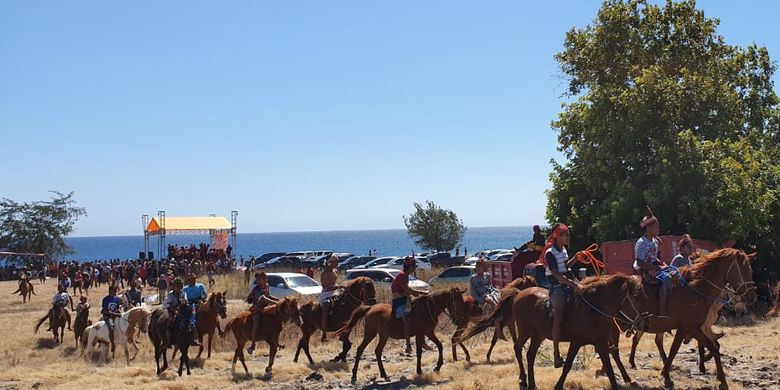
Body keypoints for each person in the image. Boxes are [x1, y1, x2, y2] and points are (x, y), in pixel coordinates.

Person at [541, 223, 582, 368]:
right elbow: (556, 273)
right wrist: (571, 284)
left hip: (567, 282)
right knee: (559, 313)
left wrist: (575, 259)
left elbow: (566, 267)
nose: (568, 237)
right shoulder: (550, 252)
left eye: (568, 235)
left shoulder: (563, 250)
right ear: (558, 237)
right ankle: (556, 353)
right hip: (556, 286)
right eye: (566, 235)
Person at [634, 208, 669, 316]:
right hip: (643, 270)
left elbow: (653, 258)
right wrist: (658, 268)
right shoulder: (641, 243)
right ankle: (662, 310)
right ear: (649, 228)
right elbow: (640, 262)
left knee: (673, 273)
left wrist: (661, 264)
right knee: (666, 278)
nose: (658, 229)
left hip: (652, 267)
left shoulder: (654, 242)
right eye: (656, 226)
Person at [391, 257, 427, 355]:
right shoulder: (402, 275)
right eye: (414, 266)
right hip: (399, 300)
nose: (415, 268)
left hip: (405, 298)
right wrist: (419, 292)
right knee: (406, 320)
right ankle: (408, 345)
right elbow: (407, 290)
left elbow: (408, 290)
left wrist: (419, 293)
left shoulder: (406, 275)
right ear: (410, 267)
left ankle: (422, 342)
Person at [245, 272, 280, 354]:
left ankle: (276, 343)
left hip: (266, 307)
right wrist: (277, 303)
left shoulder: (267, 286)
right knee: (256, 321)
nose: (265, 280)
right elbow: (264, 298)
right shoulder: (256, 289)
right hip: (257, 308)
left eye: (266, 278)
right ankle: (252, 345)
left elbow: (269, 296)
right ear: (258, 280)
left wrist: (280, 300)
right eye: (263, 279)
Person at [319, 254, 342, 342]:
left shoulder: (335, 271)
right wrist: (338, 287)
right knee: (326, 305)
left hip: (336, 291)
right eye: (335, 261)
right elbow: (327, 287)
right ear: (330, 262)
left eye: (337, 261)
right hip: (327, 293)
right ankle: (323, 332)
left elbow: (335, 283)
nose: (337, 263)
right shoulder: (324, 273)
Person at [163, 278, 188, 348]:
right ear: (174, 286)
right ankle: (169, 340)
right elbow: (167, 304)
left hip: (182, 309)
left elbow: (186, 300)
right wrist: (173, 309)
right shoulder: (171, 294)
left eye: (180, 286)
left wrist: (183, 302)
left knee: (191, 319)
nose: (179, 288)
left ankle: (192, 336)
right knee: (170, 321)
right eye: (177, 286)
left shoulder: (183, 293)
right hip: (172, 310)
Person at [182, 273, 206, 346]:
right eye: (191, 279)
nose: (192, 281)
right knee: (191, 313)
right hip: (190, 304)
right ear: (188, 280)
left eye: (194, 279)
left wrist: (202, 298)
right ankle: (192, 329)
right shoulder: (185, 288)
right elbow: (183, 297)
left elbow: (204, 294)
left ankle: (218, 327)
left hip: (199, 302)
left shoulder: (200, 286)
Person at [101, 286, 122, 352]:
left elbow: (118, 307)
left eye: (114, 292)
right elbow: (106, 310)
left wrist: (119, 312)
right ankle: (113, 344)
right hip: (108, 316)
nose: (113, 293)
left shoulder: (117, 298)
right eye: (111, 291)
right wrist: (115, 314)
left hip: (115, 315)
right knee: (111, 327)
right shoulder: (105, 299)